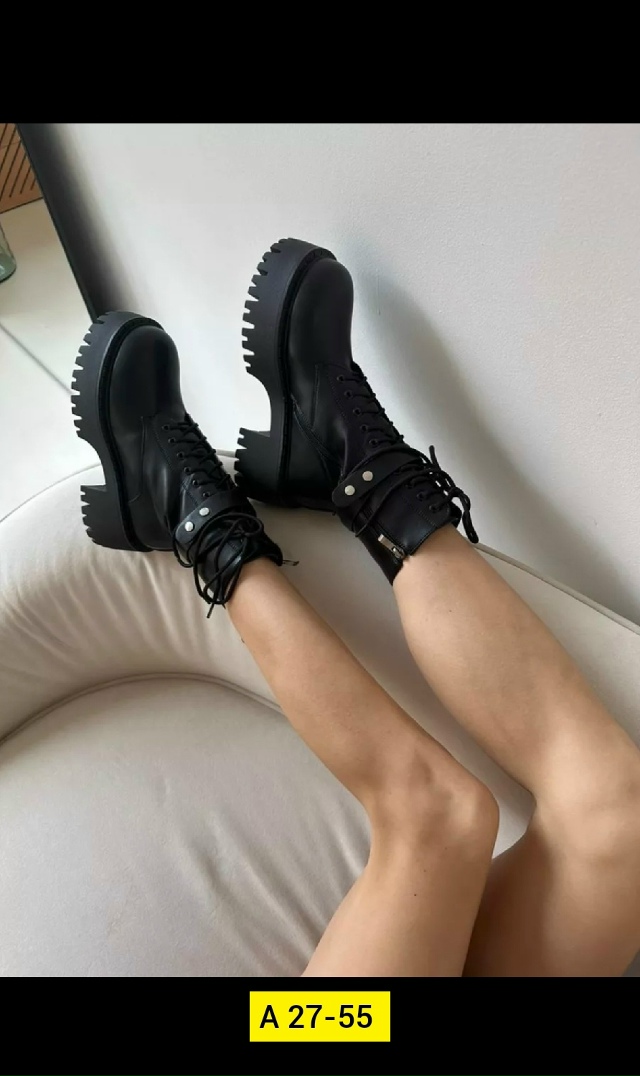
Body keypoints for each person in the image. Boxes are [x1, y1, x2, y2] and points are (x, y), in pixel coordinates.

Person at [72, 238, 640, 977]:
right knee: (620, 815)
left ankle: (194, 522)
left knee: (436, 815)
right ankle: (353, 466)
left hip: (321, 1025)